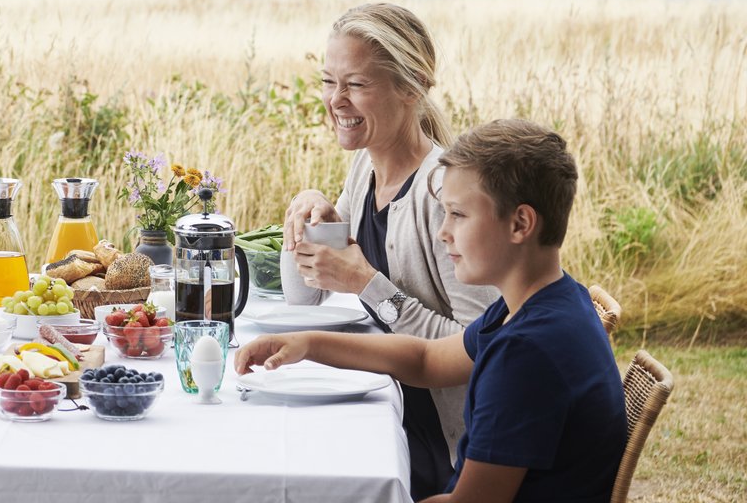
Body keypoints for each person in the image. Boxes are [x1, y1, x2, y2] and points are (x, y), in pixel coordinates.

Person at [240, 120, 627, 503]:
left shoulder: (526, 353)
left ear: (520, 223)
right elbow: (426, 359)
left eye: (457, 215)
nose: (443, 232)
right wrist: (305, 344)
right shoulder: (544, 302)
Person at [281, 3, 497, 499]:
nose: (336, 101)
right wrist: (305, 212)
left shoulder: (447, 193)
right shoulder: (365, 170)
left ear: (412, 86)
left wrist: (364, 282)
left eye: (355, 85)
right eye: (328, 82)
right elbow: (304, 297)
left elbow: (477, 349)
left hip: (443, 448)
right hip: (382, 408)